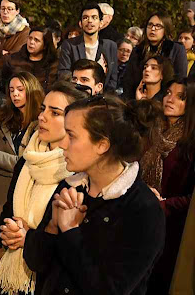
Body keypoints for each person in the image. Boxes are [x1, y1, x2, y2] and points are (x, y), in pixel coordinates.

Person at [23, 95, 165, 294]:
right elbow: (36, 262)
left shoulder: (143, 208)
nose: (63, 144)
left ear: (102, 145)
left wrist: (71, 230)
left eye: (71, 136)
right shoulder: (71, 186)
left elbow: (108, 289)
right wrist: (52, 226)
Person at [0, 81, 88, 295]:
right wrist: (9, 230)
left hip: (49, 281)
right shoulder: (27, 160)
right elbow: (7, 211)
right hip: (13, 280)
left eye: (55, 112)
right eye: (43, 109)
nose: (42, 117)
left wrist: (28, 237)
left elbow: (70, 243)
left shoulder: (78, 174)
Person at [138, 78, 195, 294]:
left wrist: (163, 204)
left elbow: (192, 197)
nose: (170, 99)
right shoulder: (152, 129)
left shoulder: (190, 142)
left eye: (180, 97)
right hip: (141, 214)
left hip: (171, 226)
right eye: (168, 93)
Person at [0, 72, 43, 247]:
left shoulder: (41, 123)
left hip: (24, 196)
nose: (15, 94)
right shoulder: (1, 119)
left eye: (20, 90)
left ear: (30, 91)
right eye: (12, 90)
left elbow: (30, 165)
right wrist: (14, 164)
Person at [122, 12, 188, 99]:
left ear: (165, 29)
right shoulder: (138, 50)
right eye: (150, 25)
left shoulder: (176, 49)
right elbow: (128, 80)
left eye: (158, 26)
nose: (153, 29)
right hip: (137, 99)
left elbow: (180, 79)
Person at [59, 2, 118, 91]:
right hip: (76, 94)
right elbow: (63, 74)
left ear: (101, 23)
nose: (90, 21)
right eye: (85, 18)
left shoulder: (110, 46)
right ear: (80, 23)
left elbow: (113, 79)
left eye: (94, 17)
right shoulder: (69, 45)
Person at [1, 26, 59, 92]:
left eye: (36, 40)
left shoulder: (54, 64)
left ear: (45, 45)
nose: (31, 42)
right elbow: (3, 83)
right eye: (30, 38)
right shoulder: (13, 60)